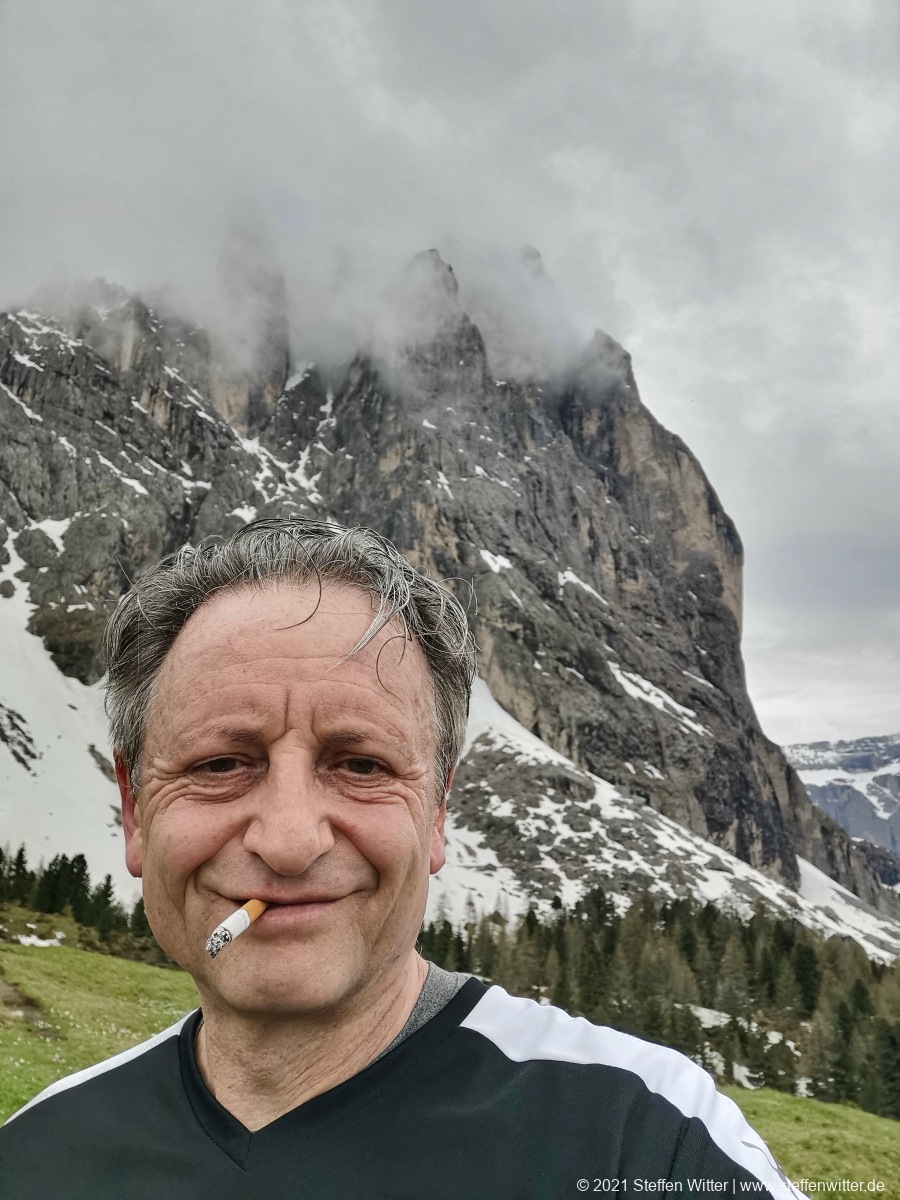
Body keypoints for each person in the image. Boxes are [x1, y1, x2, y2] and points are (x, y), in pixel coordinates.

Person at [0, 519, 801, 1198]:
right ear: (136, 810)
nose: (289, 841)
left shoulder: (647, 1137)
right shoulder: (35, 1155)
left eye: (361, 765)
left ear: (438, 810)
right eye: (220, 764)